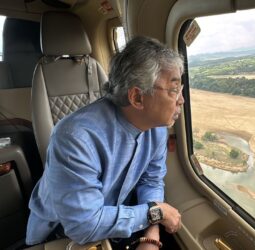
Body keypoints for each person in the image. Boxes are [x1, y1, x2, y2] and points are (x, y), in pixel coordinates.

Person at [26, 36, 184, 249]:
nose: (181, 100)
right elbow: (83, 226)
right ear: (137, 98)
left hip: (118, 220)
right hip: (60, 234)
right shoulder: (75, 137)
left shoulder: (156, 128)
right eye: (173, 90)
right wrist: (158, 213)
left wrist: (152, 233)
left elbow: (151, 180)